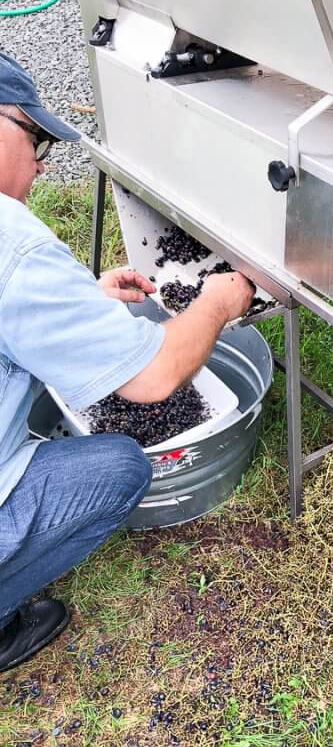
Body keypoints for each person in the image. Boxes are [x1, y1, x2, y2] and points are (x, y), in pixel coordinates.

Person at [0, 51, 254, 673]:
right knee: (119, 467)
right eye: (33, 139)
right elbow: (155, 378)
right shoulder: (14, 242)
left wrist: (80, 303)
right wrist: (218, 303)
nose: (37, 164)